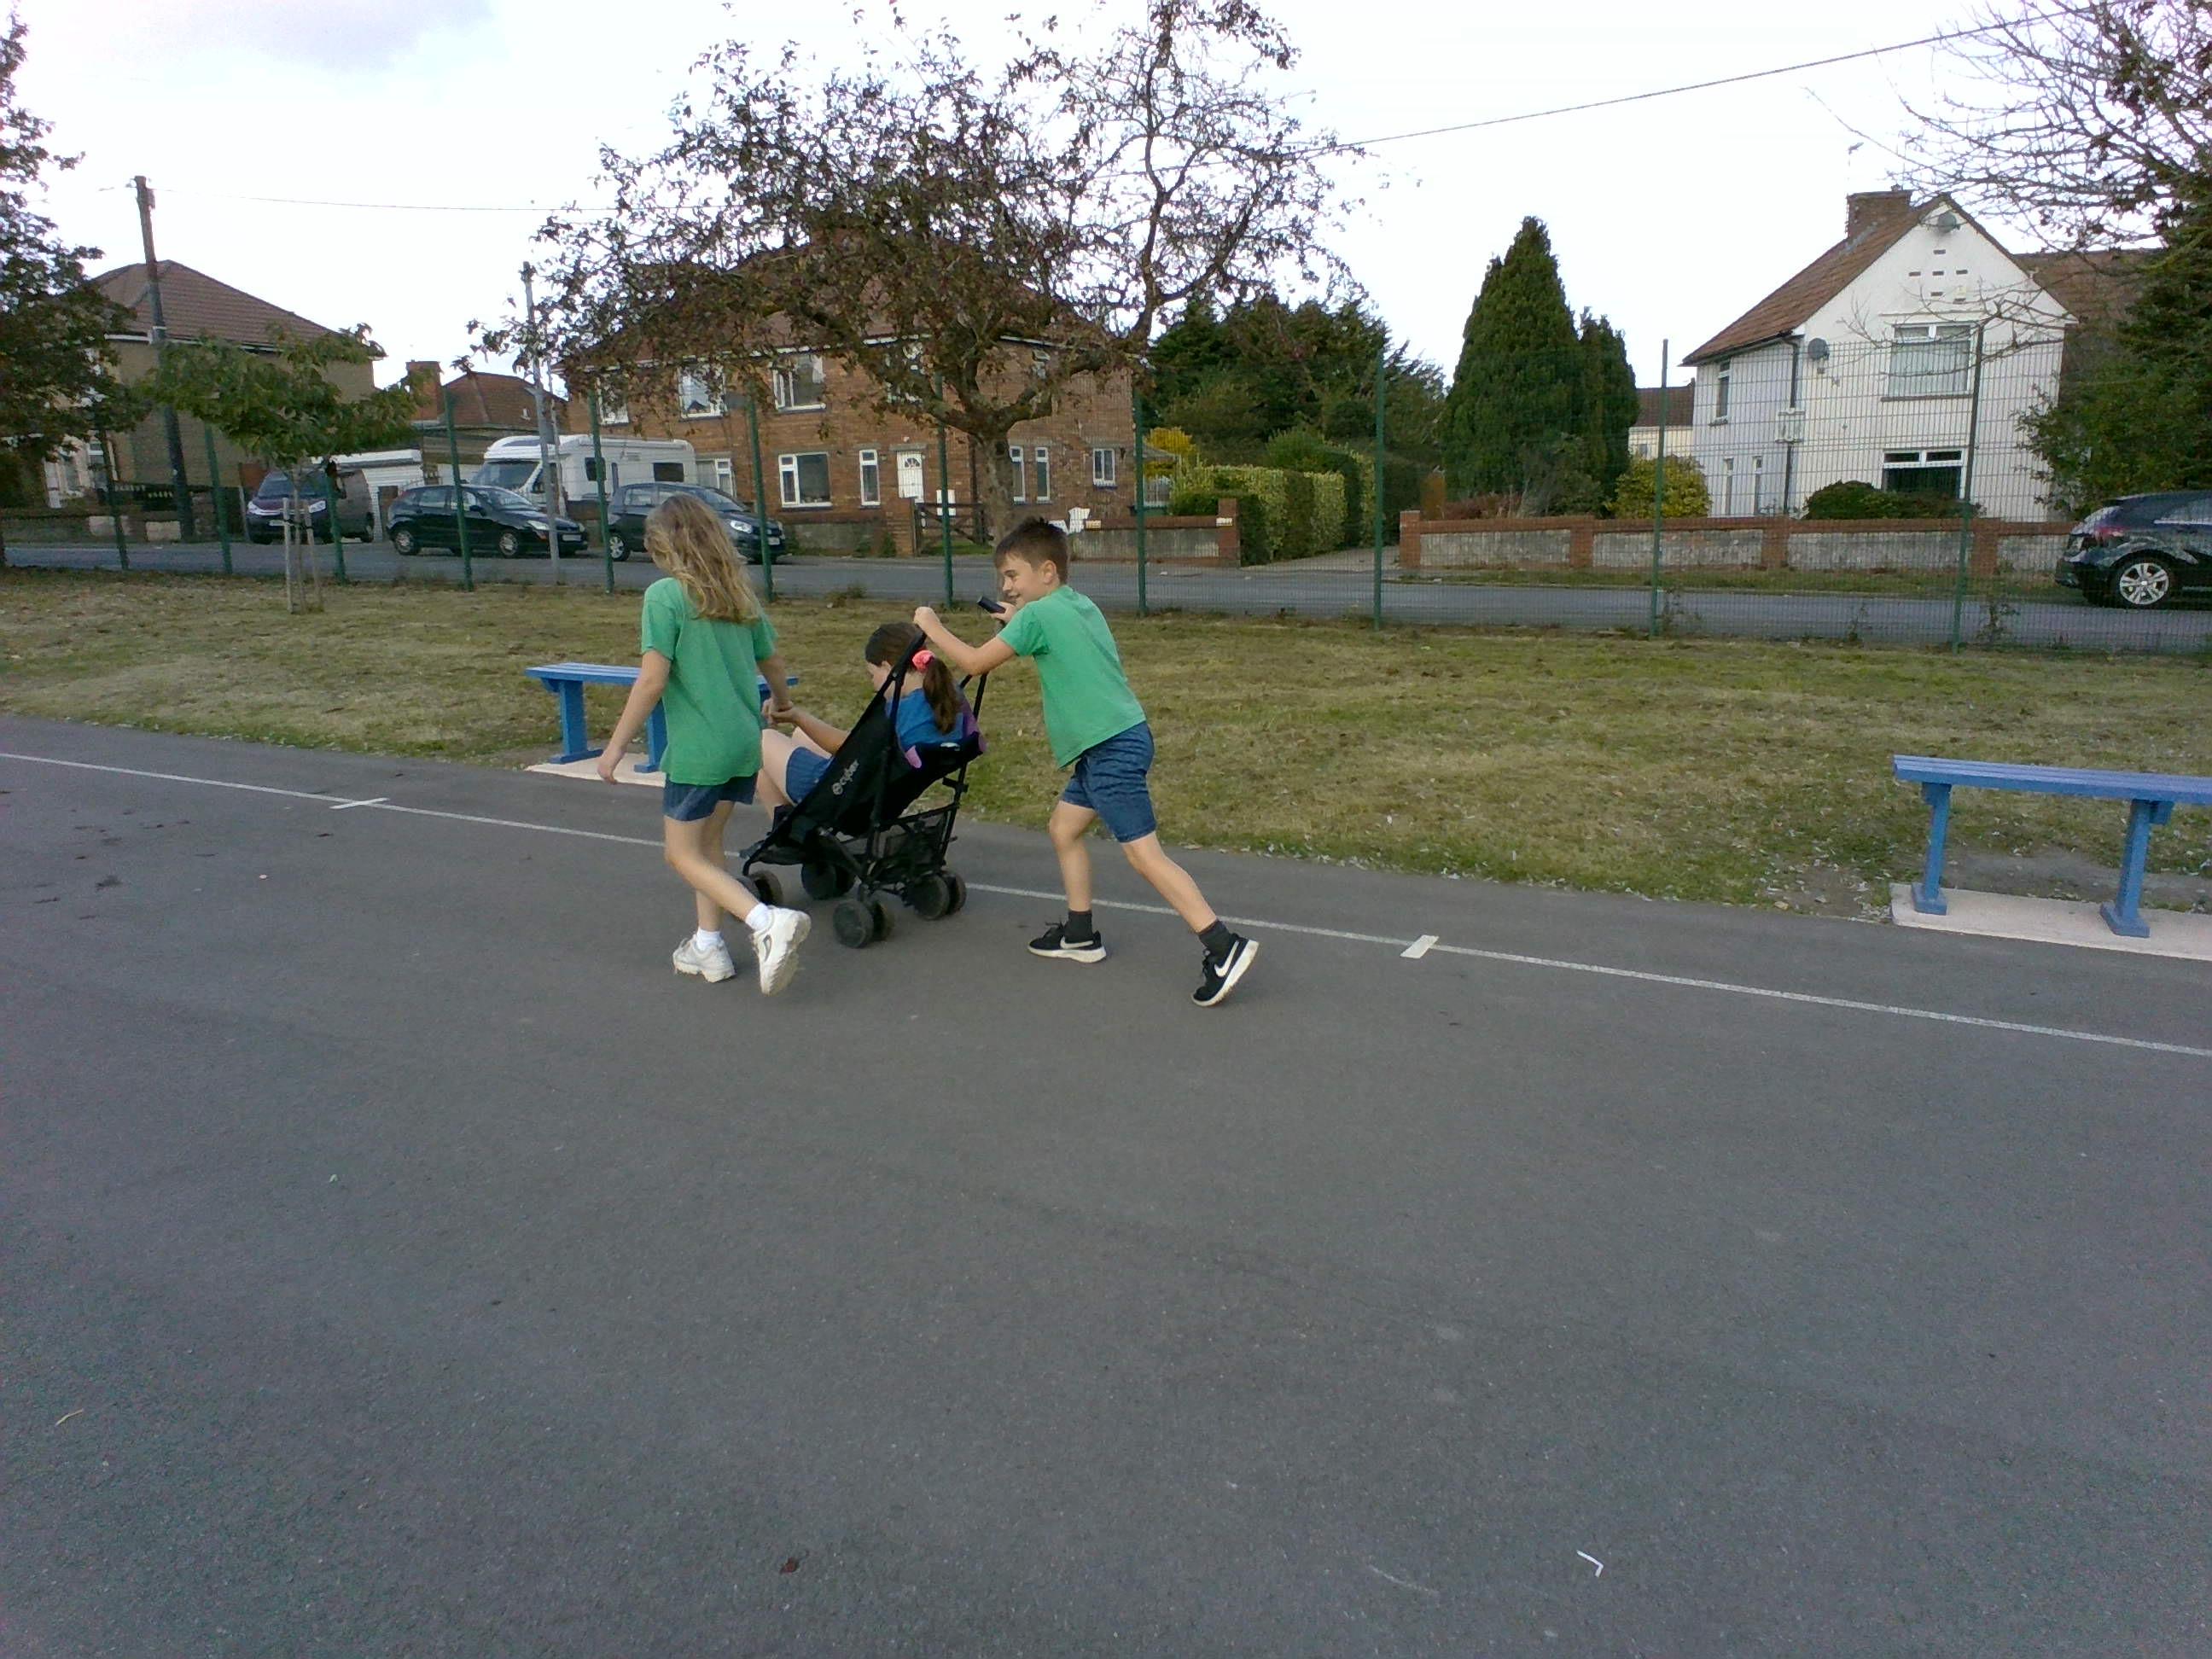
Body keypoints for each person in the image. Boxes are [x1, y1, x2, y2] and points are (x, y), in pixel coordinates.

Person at [912, 517, 1258, 1008]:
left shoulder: (1037, 617)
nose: (1005, 587)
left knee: (1145, 855)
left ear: (1046, 571)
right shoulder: (1077, 605)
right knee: (1064, 829)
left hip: (1109, 746)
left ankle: (1223, 946)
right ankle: (1080, 934)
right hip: (1116, 739)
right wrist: (1017, 621)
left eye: (1012, 575)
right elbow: (1055, 634)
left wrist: (932, 627)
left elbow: (973, 662)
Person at [597, 492, 812, 994]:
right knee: (709, 844)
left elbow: (652, 680)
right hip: (743, 742)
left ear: (665, 547)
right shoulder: (738, 596)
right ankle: (708, 945)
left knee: (680, 854)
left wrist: (615, 746)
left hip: (700, 749)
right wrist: (782, 702)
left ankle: (765, 922)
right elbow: (772, 660)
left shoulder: (665, 596)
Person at [760, 620, 977, 811]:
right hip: (882, 794)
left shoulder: (897, 711)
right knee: (800, 735)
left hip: (845, 798)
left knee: (763, 740)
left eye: (872, 674)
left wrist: (796, 716)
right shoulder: (949, 700)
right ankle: (788, 831)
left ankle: (791, 834)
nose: (873, 684)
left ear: (887, 667)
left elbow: (845, 747)